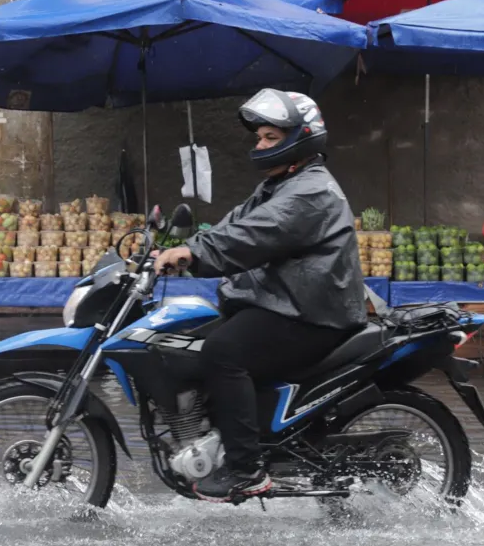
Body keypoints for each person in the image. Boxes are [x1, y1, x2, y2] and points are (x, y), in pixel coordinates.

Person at [154, 88, 367, 502]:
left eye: (271, 137)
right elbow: (233, 226)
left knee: (222, 351)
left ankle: (245, 469)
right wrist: (174, 245)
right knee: (188, 345)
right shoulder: (281, 184)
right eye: (260, 137)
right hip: (285, 302)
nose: (260, 145)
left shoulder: (309, 192)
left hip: (312, 313)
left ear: (299, 138)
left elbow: (251, 236)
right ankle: (217, 437)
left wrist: (194, 253)